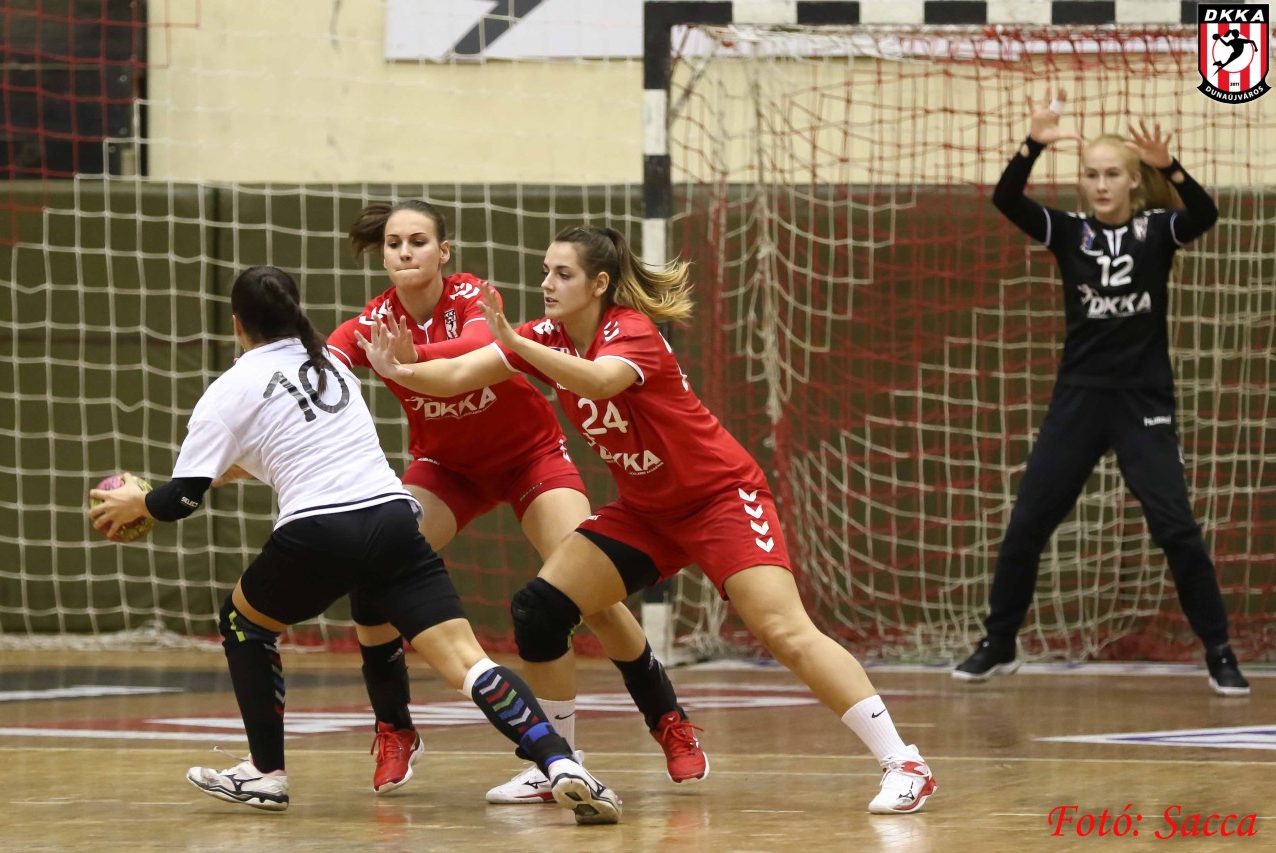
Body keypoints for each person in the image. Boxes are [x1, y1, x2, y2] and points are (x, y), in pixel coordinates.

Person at [357, 226, 938, 815]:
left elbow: (599, 380)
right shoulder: (545, 337)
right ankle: (556, 763)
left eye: (563, 274)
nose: (547, 284)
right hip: (645, 511)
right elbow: (458, 375)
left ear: (598, 284)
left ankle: (905, 762)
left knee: (783, 630)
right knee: (540, 609)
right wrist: (400, 370)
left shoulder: (628, 330)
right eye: (545, 272)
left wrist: (514, 343)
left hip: (719, 499)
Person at [87, 265, 620, 824]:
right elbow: (290, 446)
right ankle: (560, 762)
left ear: (237, 325)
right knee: (470, 663)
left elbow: (182, 498)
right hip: (393, 518)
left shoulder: (229, 389)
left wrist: (139, 503)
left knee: (243, 623)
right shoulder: (332, 363)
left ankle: (265, 773)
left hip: (318, 531)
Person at [322, 200, 706, 799]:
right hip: (447, 471)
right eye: (394, 243)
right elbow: (320, 369)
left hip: (529, 458)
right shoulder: (373, 322)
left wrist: (406, 360)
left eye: (418, 241)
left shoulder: (472, 296)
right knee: (373, 571)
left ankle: (668, 720)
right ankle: (397, 727)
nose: (404, 252)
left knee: (586, 591)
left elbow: (475, 349)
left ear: (443, 252)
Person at [952, 90, 1248, 697]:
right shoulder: (1069, 232)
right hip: (1080, 401)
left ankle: (1219, 651)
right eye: (1091, 175)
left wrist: (1171, 168)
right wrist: (1032, 144)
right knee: (1027, 524)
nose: (1101, 185)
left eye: (1113, 174)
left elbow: (1204, 214)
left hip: (1142, 403)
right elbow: (1006, 198)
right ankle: (999, 643)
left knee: (1176, 529)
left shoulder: (1157, 230)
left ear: (1133, 181)